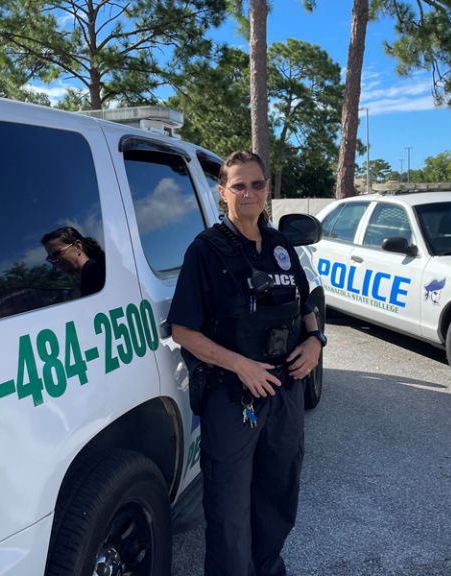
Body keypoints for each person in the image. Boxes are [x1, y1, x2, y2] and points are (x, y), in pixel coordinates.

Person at [169, 150, 324, 576]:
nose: (249, 192)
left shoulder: (280, 246)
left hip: (285, 390)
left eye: (257, 184)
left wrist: (315, 341)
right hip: (236, 395)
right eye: (239, 185)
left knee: (278, 493)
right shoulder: (206, 251)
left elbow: (303, 303)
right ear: (223, 193)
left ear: (266, 189)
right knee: (229, 509)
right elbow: (183, 330)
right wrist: (242, 365)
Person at [41, 226, 106, 297]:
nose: (54, 261)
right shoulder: (86, 280)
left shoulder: (98, 273)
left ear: (77, 246)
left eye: (57, 254)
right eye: (50, 258)